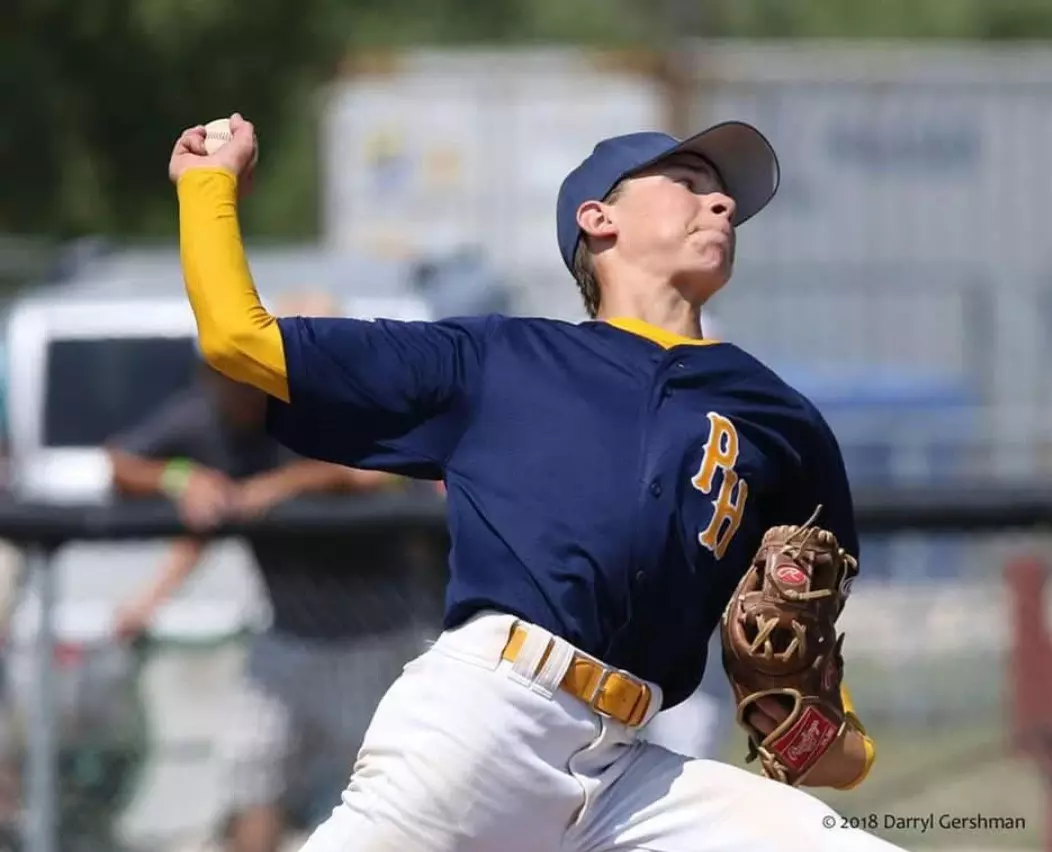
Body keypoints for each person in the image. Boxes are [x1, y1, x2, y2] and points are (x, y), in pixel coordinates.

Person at [166, 113, 906, 851]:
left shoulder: (779, 420)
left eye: (723, 199)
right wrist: (208, 187)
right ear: (598, 218)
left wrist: (822, 735)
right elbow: (239, 341)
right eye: (687, 182)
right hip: (486, 720)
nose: (719, 205)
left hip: (629, 770)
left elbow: (809, 709)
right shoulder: (497, 360)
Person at [106, 348, 433, 852]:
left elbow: (374, 472)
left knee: (385, 802)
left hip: (371, 638)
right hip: (286, 636)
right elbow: (121, 464)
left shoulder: (318, 406)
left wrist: (282, 486)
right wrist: (180, 478)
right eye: (227, 379)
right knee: (252, 773)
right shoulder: (203, 417)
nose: (239, 392)